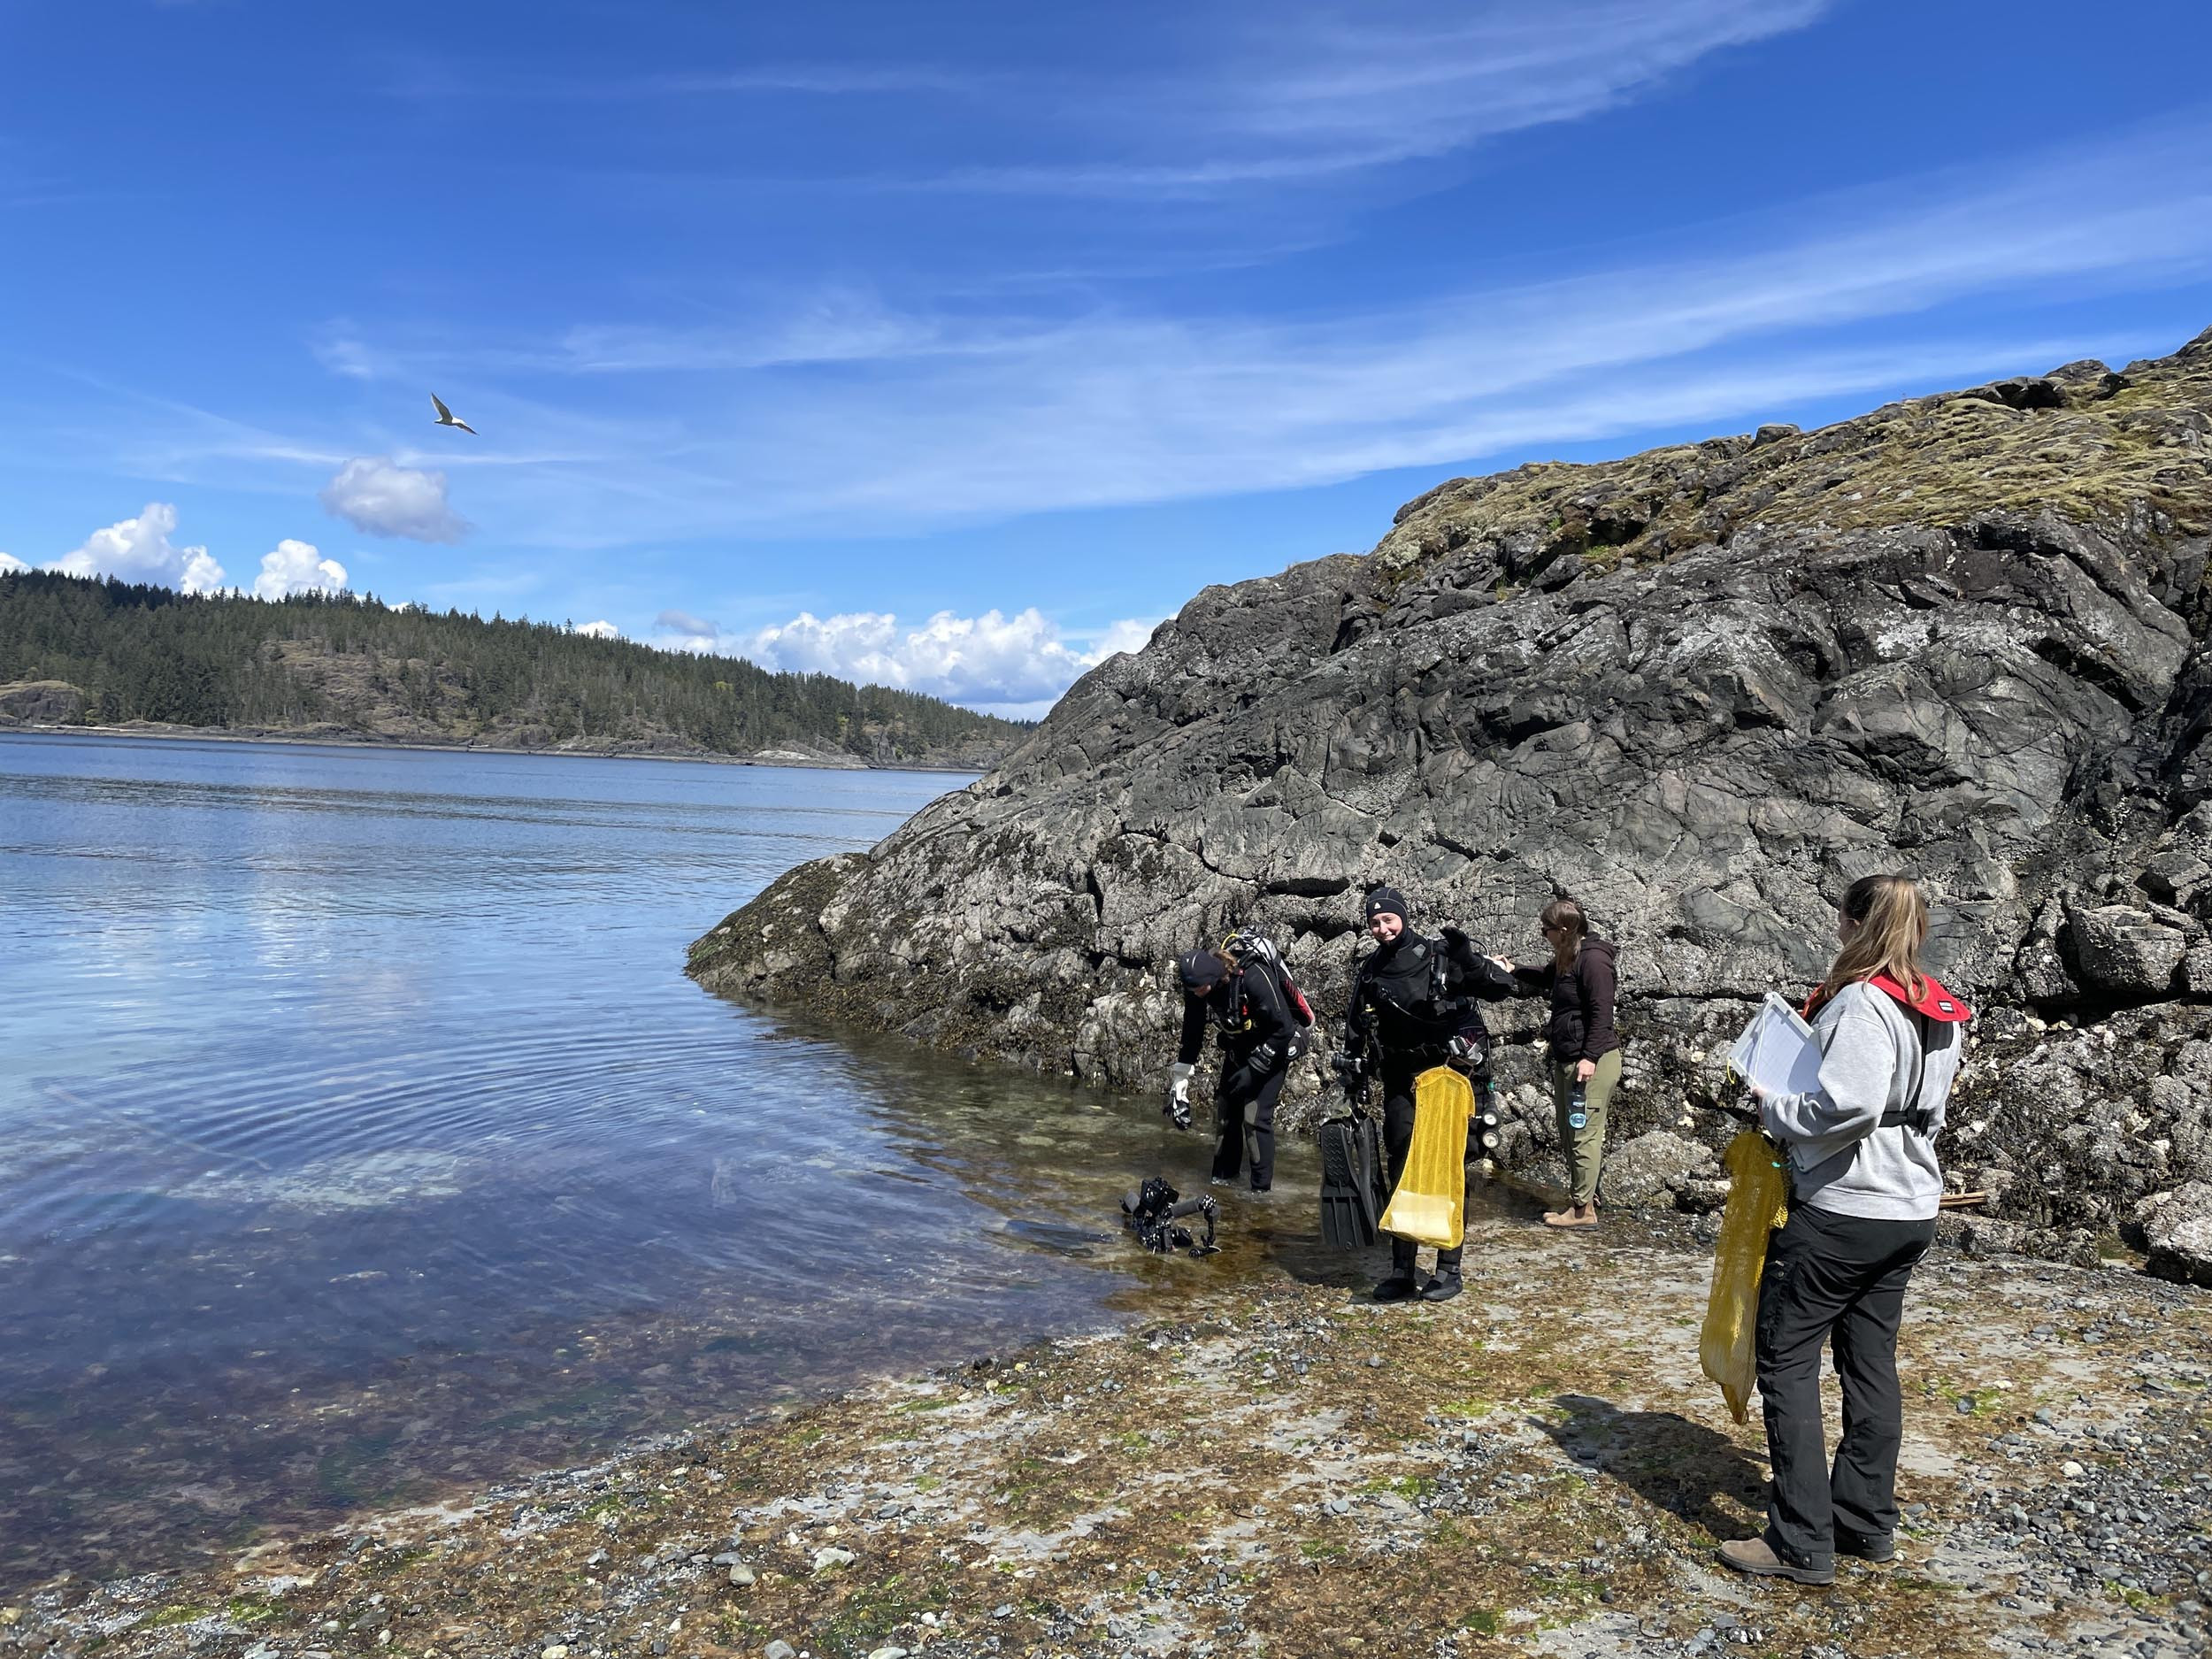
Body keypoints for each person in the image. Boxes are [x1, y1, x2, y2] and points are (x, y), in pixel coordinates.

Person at [1719, 872, 1970, 1586]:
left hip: (1844, 1210)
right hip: (1908, 1207)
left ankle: (1801, 1539)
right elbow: (1929, 1107)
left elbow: (1852, 1106)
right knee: (1869, 1361)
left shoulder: (1862, 1001)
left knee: (1787, 1360)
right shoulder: (1936, 1005)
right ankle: (1864, 1521)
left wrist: (1775, 1111)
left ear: (1851, 923)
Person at [1341, 887, 1515, 1303]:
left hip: (1449, 1077)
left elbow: (1501, 987)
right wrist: (1353, 1075)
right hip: (1401, 1077)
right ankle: (1402, 1270)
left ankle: (1449, 1269)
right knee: (1401, 1164)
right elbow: (1355, 1028)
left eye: (1389, 919)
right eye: (1374, 922)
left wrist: (1468, 957)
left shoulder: (1440, 956)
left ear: (1403, 917)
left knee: (1448, 1168)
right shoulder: (1371, 969)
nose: (1382, 928)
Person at [1501, 898, 1621, 1228]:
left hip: (1591, 1062)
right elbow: (1546, 976)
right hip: (1570, 1058)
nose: (1544, 935)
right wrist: (1514, 970)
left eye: (1546, 930)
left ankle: (1583, 1211)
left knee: (1583, 1133)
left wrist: (1589, 1057)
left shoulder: (1594, 961)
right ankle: (1586, 1199)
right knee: (1570, 1132)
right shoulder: (1569, 955)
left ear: (1563, 930)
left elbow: (1602, 1014)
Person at [1168, 936, 1297, 1193]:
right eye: (1191, 989)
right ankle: (1222, 1185)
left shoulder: (1253, 978)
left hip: (1279, 1042)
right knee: (1227, 1113)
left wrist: (1255, 1070)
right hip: (1241, 1044)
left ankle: (1260, 1196)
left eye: (1198, 989)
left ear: (1214, 978)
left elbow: (1284, 1029)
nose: (1195, 994)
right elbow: (1192, 1033)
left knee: (1254, 1117)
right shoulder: (1197, 985)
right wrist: (1179, 1084)